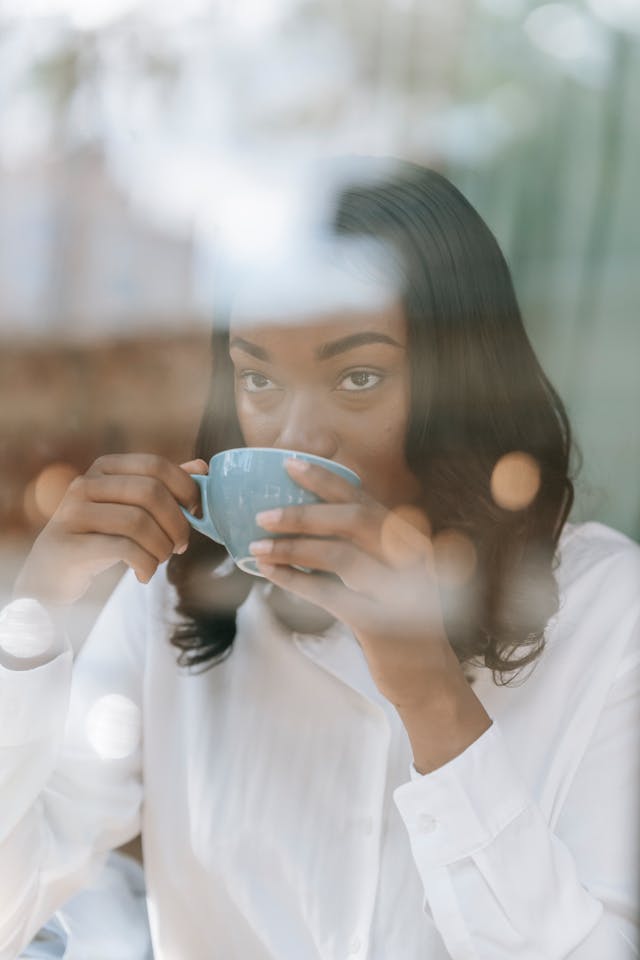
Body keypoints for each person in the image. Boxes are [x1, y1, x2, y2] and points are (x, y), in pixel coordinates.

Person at [1, 159, 638, 960]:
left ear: (466, 386)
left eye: (360, 377)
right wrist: (31, 623)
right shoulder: (178, 595)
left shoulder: (609, 611)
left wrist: (431, 695)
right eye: (258, 378)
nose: (299, 435)